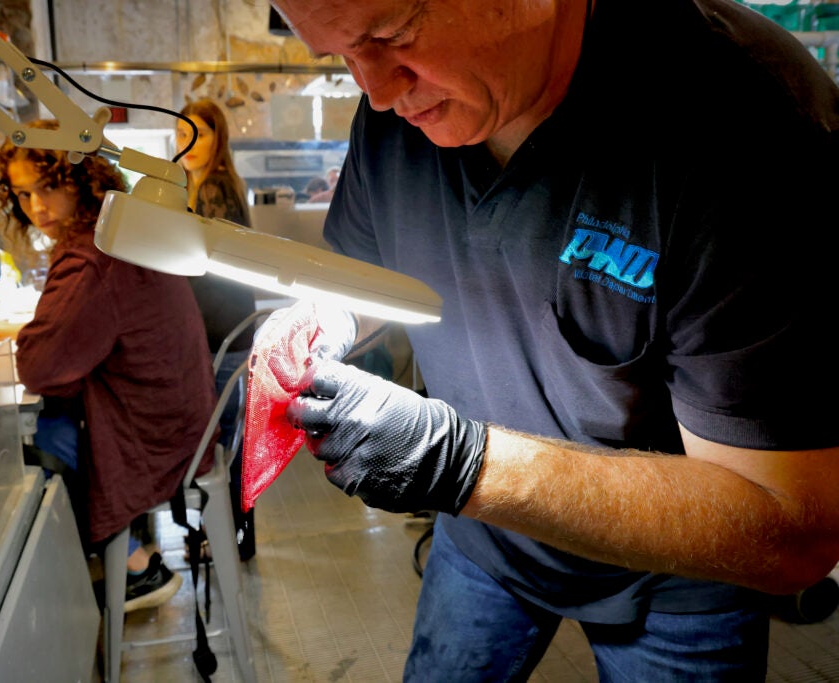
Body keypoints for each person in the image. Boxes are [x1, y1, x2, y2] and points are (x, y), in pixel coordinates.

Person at [265, 0, 839, 680]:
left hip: (676, 579)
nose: (381, 93)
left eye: (391, 34)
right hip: (483, 541)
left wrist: (459, 463)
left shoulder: (744, 126)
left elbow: (794, 531)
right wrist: (324, 318)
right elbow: (359, 273)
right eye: (339, 56)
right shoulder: (397, 114)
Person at [0, 119, 218, 612]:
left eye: (48, 186)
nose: (37, 207)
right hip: (187, 418)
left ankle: (133, 565)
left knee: (40, 442)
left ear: (81, 177)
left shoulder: (92, 253)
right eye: (23, 194)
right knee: (57, 421)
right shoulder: (118, 229)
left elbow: (40, 368)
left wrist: (35, 334)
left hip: (158, 436)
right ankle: (128, 552)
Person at [176, 99, 257, 560]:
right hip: (221, 331)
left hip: (220, 332)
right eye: (181, 131)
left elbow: (212, 269)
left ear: (217, 138)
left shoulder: (214, 190)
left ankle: (228, 543)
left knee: (222, 444)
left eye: (199, 133)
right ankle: (230, 540)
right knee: (226, 441)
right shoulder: (197, 185)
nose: (187, 142)